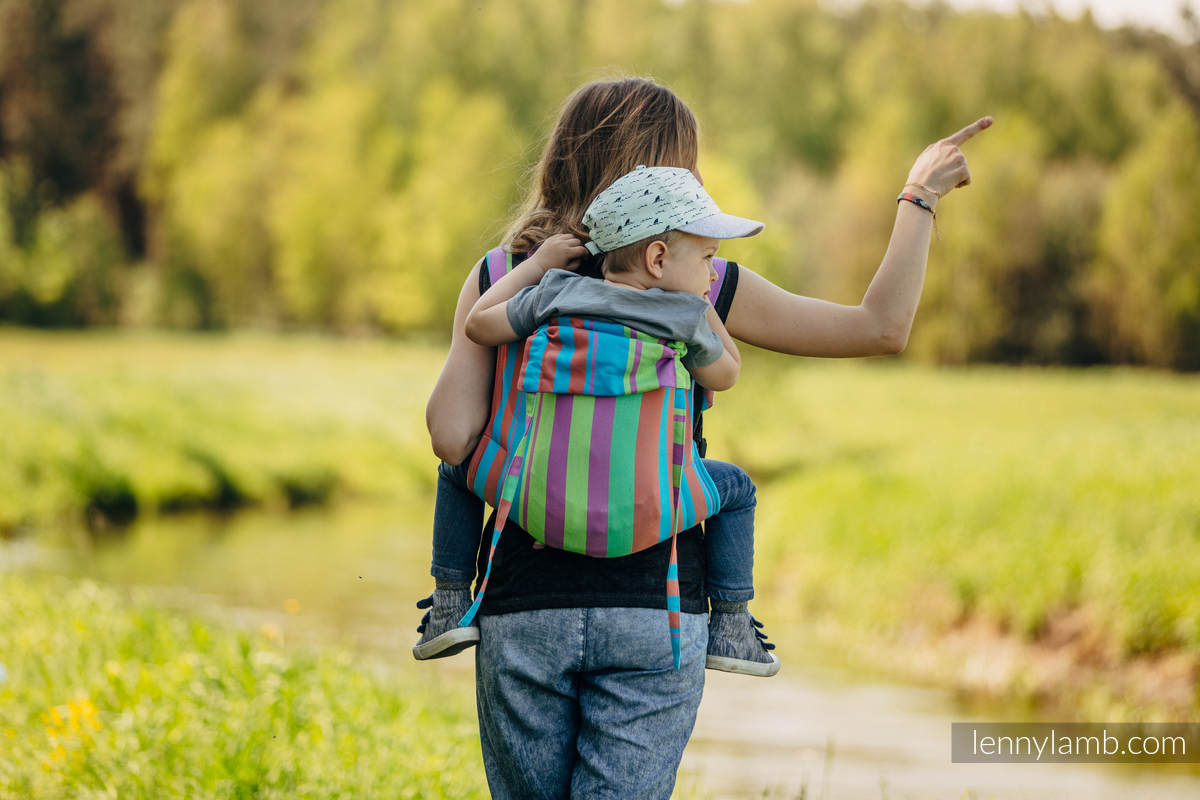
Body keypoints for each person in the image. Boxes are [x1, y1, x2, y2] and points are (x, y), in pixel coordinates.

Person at [423, 77, 991, 798]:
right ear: (657, 171)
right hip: (656, 605)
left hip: (520, 603)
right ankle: (734, 625)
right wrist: (919, 196)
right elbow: (880, 327)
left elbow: (450, 434)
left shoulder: (505, 277)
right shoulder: (698, 283)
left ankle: (446, 603)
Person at [455, 164, 779, 676]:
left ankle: (450, 599)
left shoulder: (556, 292)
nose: (713, 274)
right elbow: (726, 374)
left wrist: (535, 265)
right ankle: (733, 625)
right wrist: (700, 308)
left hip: (544, 510)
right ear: (657, 258)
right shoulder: (685, 318)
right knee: (737, 489)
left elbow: (479, 324)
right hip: (646, 517)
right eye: (709, 259)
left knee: (456, 468)